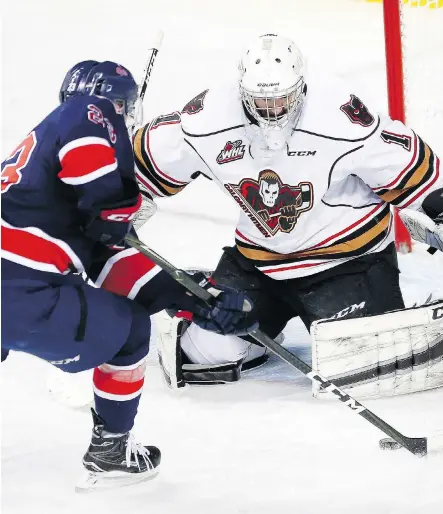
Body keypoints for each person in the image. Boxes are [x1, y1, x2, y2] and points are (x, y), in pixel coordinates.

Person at [132, 33, 443, 388]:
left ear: (301, 86)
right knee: (204, 355)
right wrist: (115, 190)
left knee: (364, 370)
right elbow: (147, 160)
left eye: (281, 99)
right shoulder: (208, 119)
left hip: (346, 262)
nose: (272, 111)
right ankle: (256, 324)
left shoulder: (339, 115)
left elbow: (408, 164)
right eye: (260, 101)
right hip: (258, 262)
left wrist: (438, 208)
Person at [1, 60, 256, 490]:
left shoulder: (46, 174)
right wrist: (111, 200)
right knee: (129, 331)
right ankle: (112, 450)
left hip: (18, 285)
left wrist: (196, 300)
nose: (123, 114)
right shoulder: (87, 114)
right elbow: (91, 150)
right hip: (20, 289)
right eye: (124, 105)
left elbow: (115, 267)